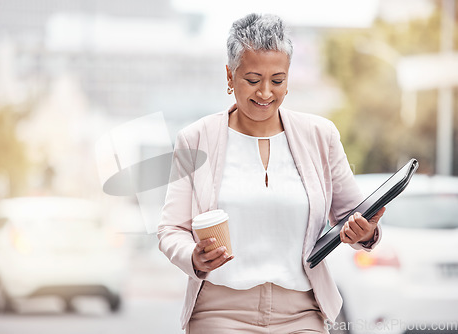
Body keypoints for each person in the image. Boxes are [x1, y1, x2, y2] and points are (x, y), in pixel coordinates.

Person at [158, 13, 385, 334]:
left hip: (301, 312)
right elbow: (170, 229)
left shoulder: (321, 136)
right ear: (229, 75)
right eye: (252, 79)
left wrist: (365, 233)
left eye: (277, 80)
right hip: (220, 312)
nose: (265, 93)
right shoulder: (196, 139)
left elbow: (353, 215)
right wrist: (192, 258)